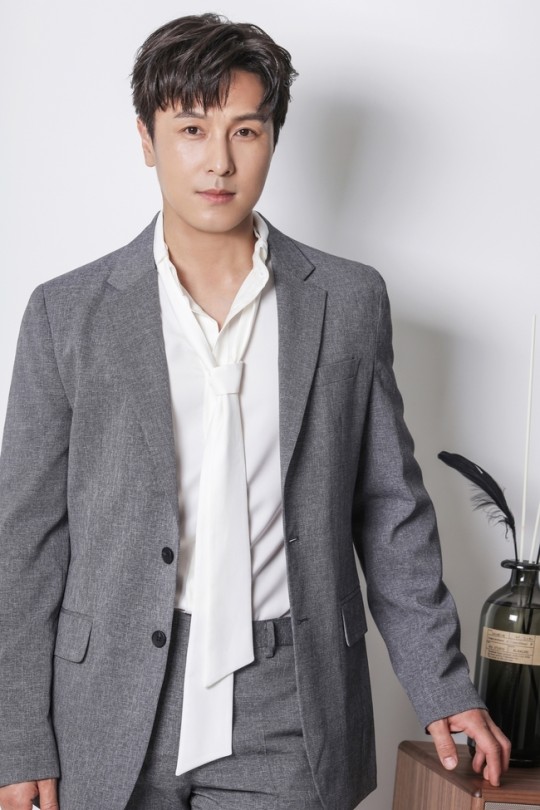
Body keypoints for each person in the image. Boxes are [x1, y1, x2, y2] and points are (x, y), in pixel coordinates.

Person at [0, 13, 510, 810]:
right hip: (106, 703)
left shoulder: (346, 301)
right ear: (146, 139)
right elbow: (25, 541)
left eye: (245, 129)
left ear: (273, 137)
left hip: (290, 701)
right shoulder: (68, 314)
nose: (219, 160)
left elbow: (390, 512)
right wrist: (17, 737)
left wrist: (444, 684)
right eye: (191, 129)